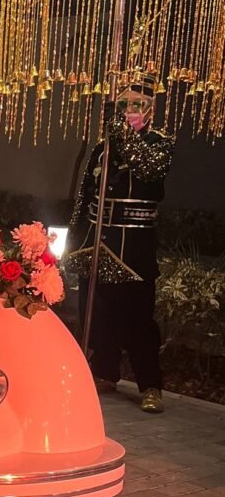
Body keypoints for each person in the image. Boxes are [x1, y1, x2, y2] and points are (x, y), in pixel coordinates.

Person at [67, 76, 174, 414]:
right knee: (99, 313)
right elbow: (85, 196)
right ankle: (105, 372)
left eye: (137, 105)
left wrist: (120, 131)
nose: (130, 111)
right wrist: (74, 240)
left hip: (137, 244)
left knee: (139, 318)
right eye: (124, 104)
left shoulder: (159, 143)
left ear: (151, 109)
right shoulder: (104, 146)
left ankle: (150, 384)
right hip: (100, 239)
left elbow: (147, 167)